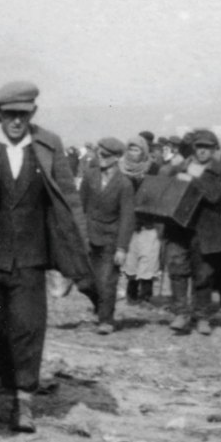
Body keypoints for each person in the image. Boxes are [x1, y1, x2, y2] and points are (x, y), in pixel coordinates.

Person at [0, 81, 95, 432]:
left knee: (28, 329)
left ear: (32, 113)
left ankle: (23, 401)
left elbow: (68, 198)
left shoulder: (48, 145)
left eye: (23, 114)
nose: (16, 121)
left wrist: (79, 246)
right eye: (10, 114)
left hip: (30, 257)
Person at [153, 132, 221, 336]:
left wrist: (192, 177)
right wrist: (176, 170)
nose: (203, 151)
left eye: (207, 147)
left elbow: (214, 196)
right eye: (199, 147)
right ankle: (181, 313)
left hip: (206, 230)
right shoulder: (181, 166)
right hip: (178, 227)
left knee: (204, 274)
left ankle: (202, 316)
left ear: (215, 150)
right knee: (177, 269)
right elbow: (164, 184)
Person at [78, 137, 137, 335]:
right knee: (84, 282)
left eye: (105, 155)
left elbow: (127, 217)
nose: (100, 158)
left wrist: (122, 247)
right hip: (88, 236)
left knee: (107, 281)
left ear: (117, 157)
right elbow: (80, 206)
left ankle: (106, 320)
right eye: (98, 154)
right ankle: (99, 304)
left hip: (111, 239)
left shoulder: (124, 184)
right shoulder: (89, 176)